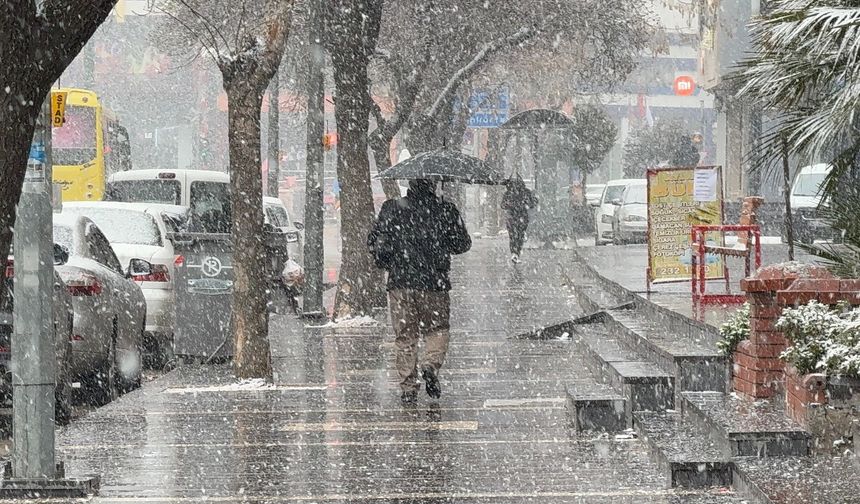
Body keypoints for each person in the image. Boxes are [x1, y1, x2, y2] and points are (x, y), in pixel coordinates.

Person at [367, 179, 472, 404]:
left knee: (405, 335)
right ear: (433, 185)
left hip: (401, 283)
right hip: (434, 283)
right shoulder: (445, 209)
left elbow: (375, 242)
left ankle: (408, 388)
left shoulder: (392, 208)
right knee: (438, 329)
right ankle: (430, 365)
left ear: (410, 185)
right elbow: (463, 244)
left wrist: (390, 260)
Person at [501, 176, 537, 263]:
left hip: (512, 217)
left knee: (513, 236)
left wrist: (510, 205)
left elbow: (503, 205)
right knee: (519, 236)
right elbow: (532, 204)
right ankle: (516, 253)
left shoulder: (508, 193)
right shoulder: (526, 192)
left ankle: (514, 253)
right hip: (522, 217)